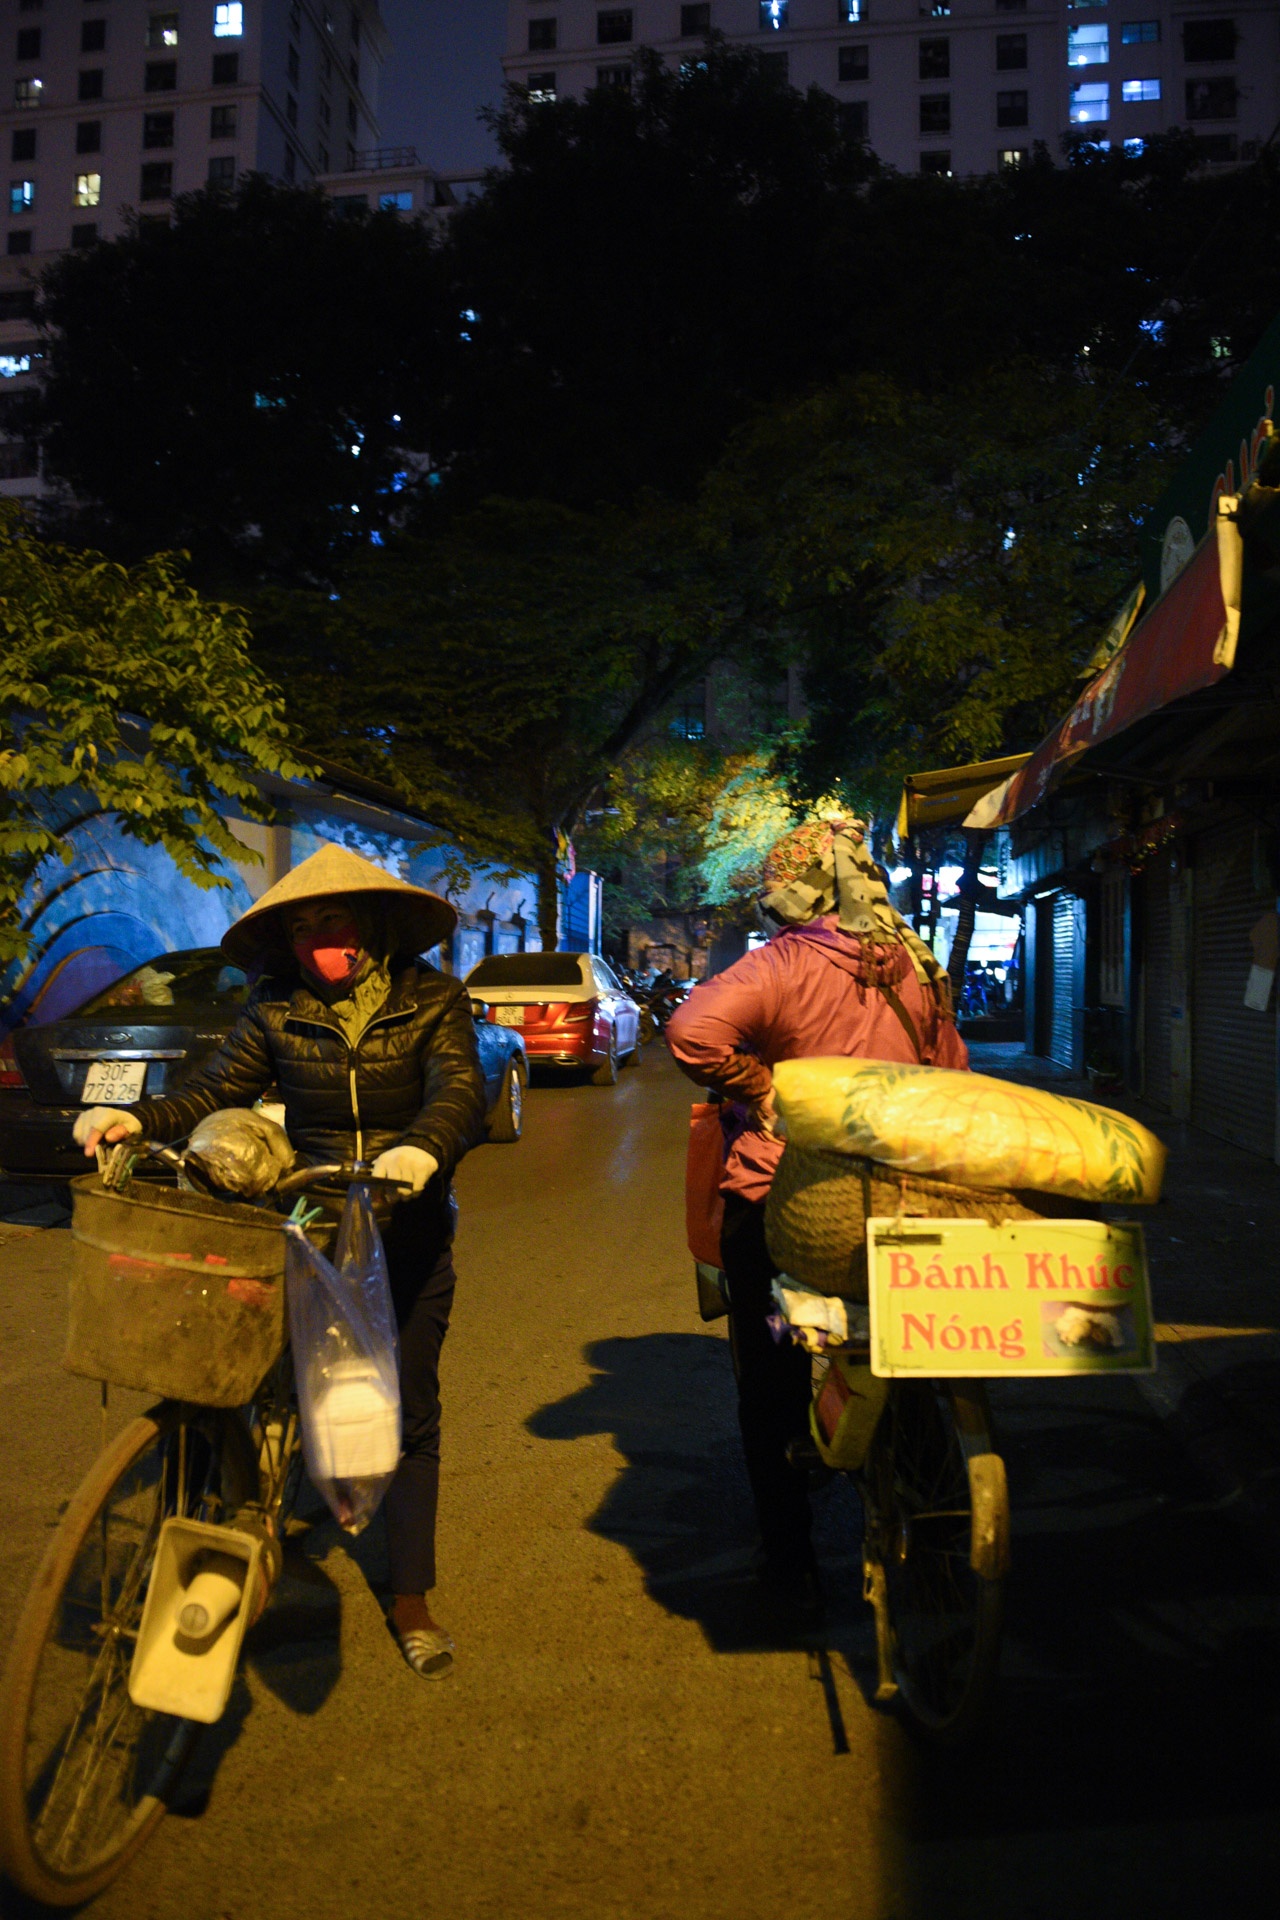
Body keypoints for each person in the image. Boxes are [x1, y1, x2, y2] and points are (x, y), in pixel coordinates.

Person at [73, 844, 487, 1681]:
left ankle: (410, 1596)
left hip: (405, 1225)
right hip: (310, 1212)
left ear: (369, 928)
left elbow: (458, 1091)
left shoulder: (434, 999)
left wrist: (423, 1150)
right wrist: (141, 1122)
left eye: (330, 920)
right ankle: (244, 1534)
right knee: (252, 1382)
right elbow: (214, 1086)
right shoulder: (275, 1007)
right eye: (302, 928)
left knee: (405, 1411)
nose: (316, 940)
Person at [665, 817, 969, 1616]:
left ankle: (791, 1556)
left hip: (783, 1201)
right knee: (903, 1348)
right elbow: (953, 1070)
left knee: (769, 1378)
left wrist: (761, 1089)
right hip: (897, 1195)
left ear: (796, 893)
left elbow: (691, 1030)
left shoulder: (785, 963)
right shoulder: (917, 962)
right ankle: (925, 1503)